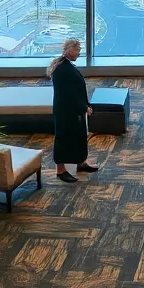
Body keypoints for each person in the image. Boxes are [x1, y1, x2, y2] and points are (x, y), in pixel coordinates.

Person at [47, 38, 98, 184]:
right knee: (63, 138)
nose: (79, 53)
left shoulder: (65, 65)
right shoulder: (62, 69)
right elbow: (69, 93)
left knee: (79, 136)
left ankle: (80, 163)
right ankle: (60, 170)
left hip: (73, 109)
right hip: (66, 111)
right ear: (69, 49)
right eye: (77, 50)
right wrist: (84, 107)